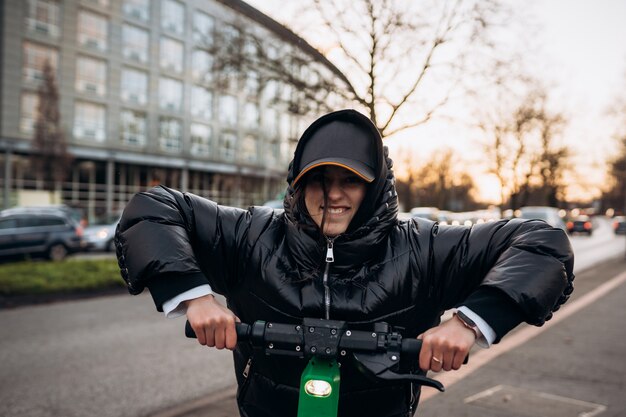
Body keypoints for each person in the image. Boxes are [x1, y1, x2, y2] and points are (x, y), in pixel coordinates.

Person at [115, 109, 574, 417]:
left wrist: (470, 323)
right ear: (298, 182)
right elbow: (153, 208)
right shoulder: (251, 235)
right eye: (319, 179)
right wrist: (194, 297)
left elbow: (543, 242)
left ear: (373, 186)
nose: (333, 194)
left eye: (350, 180)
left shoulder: (423, 248)